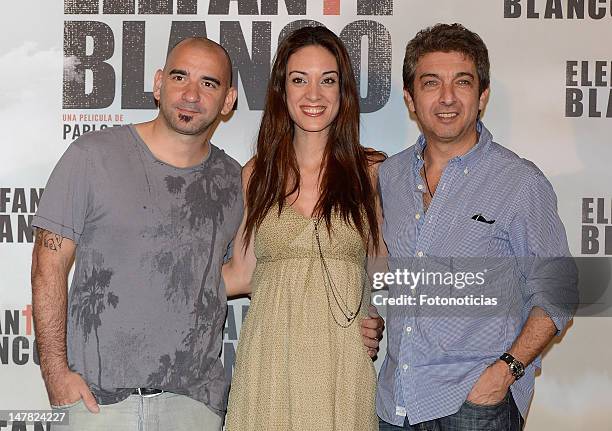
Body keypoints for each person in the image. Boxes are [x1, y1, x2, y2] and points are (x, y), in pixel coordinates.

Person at [31, 36, 383, 431]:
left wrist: (374, 315)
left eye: (209, 83)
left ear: (229, 100)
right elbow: (49, 264)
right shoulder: (99, 155)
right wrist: (56, 371)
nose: (191, 94)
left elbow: (384, 269)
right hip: (105, 399)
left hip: (199, 399)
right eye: (180, 77)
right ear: (159, 83)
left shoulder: (237, 178)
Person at [376, 24, 578, 430]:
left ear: (482, 96)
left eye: (462, 82)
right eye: (431, 83)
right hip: (395, 404)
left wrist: (505, 372)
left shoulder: (519, 182)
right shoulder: (390, 176)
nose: (447, 97)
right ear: (410, 99)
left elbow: (559, 292)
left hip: (476, 407)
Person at [222, 26, 386, 431]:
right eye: (300, 80)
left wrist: (379, 316)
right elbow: (240, 274)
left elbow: (383, 271)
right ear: (282, 90)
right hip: (268, 367)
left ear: (343, 92)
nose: (314, 94)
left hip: (342, 367)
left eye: (327, 80)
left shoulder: (372, 172)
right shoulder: (255, 175)